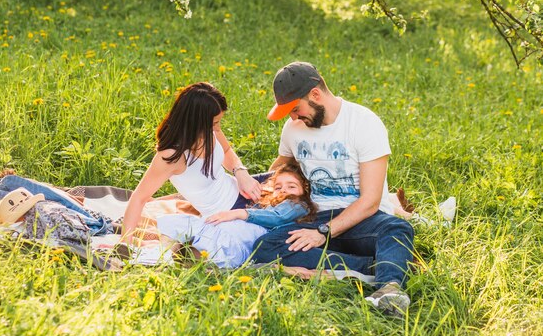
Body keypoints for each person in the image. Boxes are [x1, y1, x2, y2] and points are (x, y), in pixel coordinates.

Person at [252, 61, 415, 317]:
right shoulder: (293, 129)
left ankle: (389, 291)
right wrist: (243, 185)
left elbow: (370, 201)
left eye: (295, 109)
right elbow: (278, 170)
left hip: (363, 219)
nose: (293, 117)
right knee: (265, 245)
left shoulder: (364, 123)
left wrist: (323, 233)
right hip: (313, 217)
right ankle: (373, 267)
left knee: (397, 228)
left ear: (315, 95)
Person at [120, 82, 263, 245]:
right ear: (196, 122)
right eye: (215, 123)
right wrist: (125, 242)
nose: (218, 128)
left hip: (244, 191)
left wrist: (241, 172)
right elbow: (139, 197)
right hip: (229, 215)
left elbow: (227, 152)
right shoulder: (172, 157)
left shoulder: (210, 131)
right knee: (283, 228)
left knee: (294, 183)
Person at [151, 162, 317, 268]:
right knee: (182, 225)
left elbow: (277, 217)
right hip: (224, 234)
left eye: (292, 186)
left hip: (239, 240)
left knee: (202, 242)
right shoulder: (263, 203)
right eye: (278, 187)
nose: (284, 190)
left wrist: (240, 213)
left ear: (304, 191)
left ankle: (163, 258)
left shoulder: (297, 204)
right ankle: (162, 257)